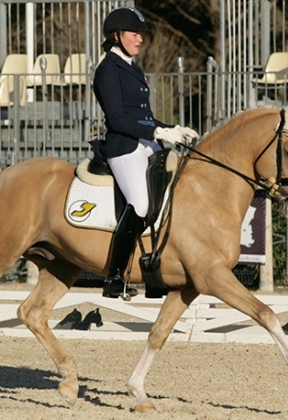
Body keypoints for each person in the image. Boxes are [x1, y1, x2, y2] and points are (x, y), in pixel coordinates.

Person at [92, 7, 198, 299]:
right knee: (139, 205)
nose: (140, 39)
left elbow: (144, 116)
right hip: (124, 147)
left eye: (141, 34)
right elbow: (117, 119)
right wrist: (158, 132)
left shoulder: (133, 68)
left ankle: (160, 266)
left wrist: (172, 127)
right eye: (134, 34)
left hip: (146, 142)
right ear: (117, 36)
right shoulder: (107, 70)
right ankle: (114, 277)